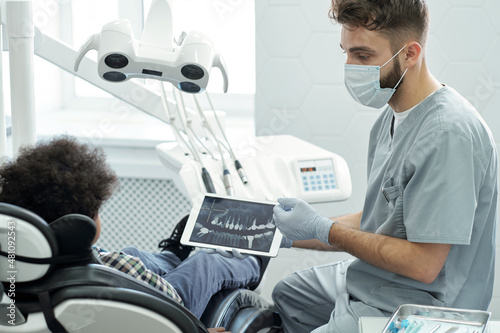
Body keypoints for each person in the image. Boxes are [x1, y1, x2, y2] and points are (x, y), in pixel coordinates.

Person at [272, 1, 498, 332]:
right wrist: (288, 235)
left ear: (410, 53)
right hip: (381, 279)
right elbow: (380, 222)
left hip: (423, 304)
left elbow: (423, 265)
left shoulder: (448, 134)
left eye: (363, 56)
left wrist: (325, 230)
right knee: (288, 294)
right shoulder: (389, 120)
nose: (349, 67)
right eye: (345, 53)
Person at [0, 135, 264, 333]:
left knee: (132, 254)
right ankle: (253, 260)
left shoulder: (18, 264)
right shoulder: (111, 271)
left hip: (82, 277)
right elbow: (170, 310)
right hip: (172, 304)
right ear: (82, 225)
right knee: (205, 263)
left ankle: (172, 256)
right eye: (98, 211)